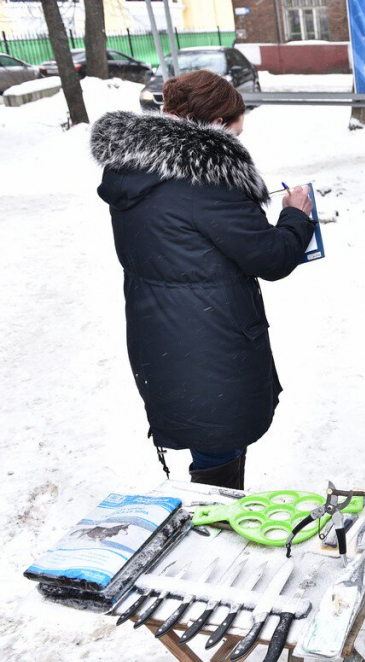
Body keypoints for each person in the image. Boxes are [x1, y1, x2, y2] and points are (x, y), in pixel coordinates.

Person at [90, 69, 315, 489]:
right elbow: (272, 257)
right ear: (214, 127)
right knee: (218, 451)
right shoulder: (208, 180)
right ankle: (212, 530)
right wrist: (295, 215)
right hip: (210, 339)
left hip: (161, 336)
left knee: (209, 439)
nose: (238, 142)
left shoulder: (132, 168)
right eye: (235, 133)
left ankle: (211, 514)